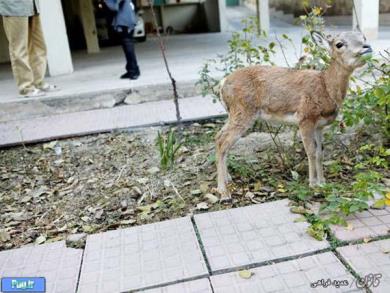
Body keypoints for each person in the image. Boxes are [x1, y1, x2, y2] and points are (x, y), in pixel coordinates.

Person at [0, 0, 57, 97]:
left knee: (38, 45)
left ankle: (38, 82)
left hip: (32, 4)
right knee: (19, 48)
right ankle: (26, 88)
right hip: (14, 6)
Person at [104, 0, 140, 80]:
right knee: (126, 47)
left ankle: (134, 71)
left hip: (125, 21)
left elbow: (114, 7)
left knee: (128, 47)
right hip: (124, 19)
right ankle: (131, 69)